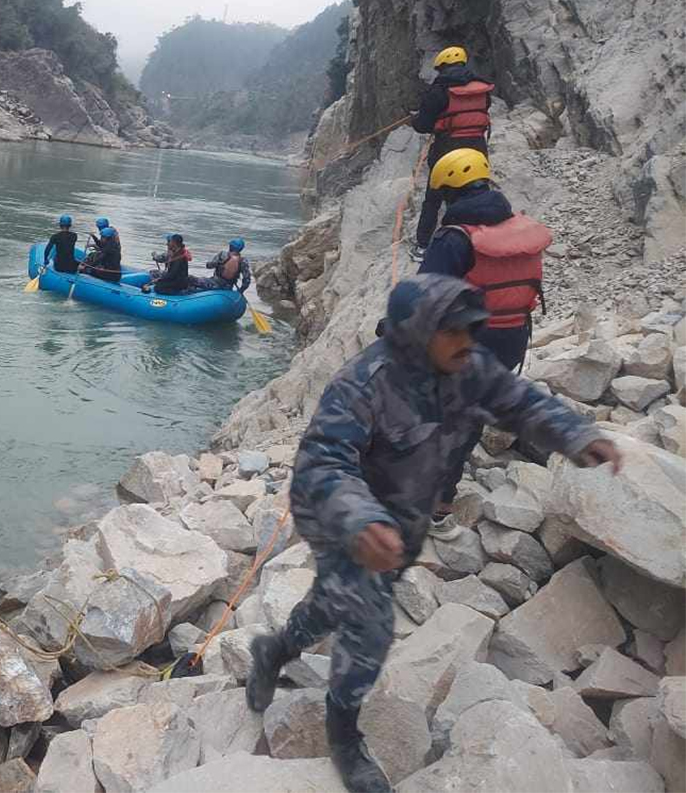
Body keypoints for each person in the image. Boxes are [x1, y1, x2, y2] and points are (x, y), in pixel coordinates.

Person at [245, 274, 621, 793]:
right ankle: (342, 733)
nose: (468, 342)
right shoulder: (363, 384)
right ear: (417, 333)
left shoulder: (467, 368)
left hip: (404, 523)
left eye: (470, 330)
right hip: (346, 523)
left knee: (333, 601)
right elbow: (323, 465)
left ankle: (275, 650)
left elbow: (520, 401)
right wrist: (363, 522)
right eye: (453, 332)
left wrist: (578, 435)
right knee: (370, 625)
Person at [416, 148, 552, 539]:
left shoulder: (455, 238)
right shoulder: (519, 230)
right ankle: (440, 507)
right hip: (510, 341)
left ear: (450, 193)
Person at [410, 46, 495, 258]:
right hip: (477, 147)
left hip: (447, 148)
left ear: (442, 67)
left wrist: (416, 118)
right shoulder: (482, 87)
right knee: (476, 191)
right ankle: (481, 240)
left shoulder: (438, 91)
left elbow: (422, 125)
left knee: (435, 197)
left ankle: (422, 246)